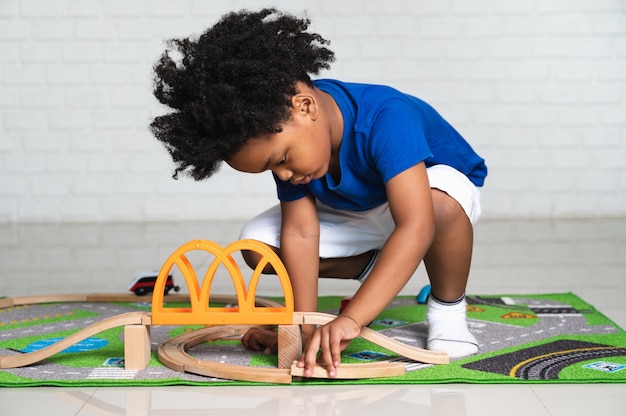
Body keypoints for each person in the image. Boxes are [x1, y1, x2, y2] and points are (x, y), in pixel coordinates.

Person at [150, 8, 487, 378]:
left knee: (439, 207)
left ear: (304, 107)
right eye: (270, 169)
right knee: (257, 247)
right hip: (362, 212)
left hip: (428, 203)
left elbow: (417, 224)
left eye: (280, 160)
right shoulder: (292, 140)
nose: (283, 174)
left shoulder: (387, 117)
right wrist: (302, 327)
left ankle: (448, 310)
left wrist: (352, 319)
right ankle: (379, 267)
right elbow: (300, 232)